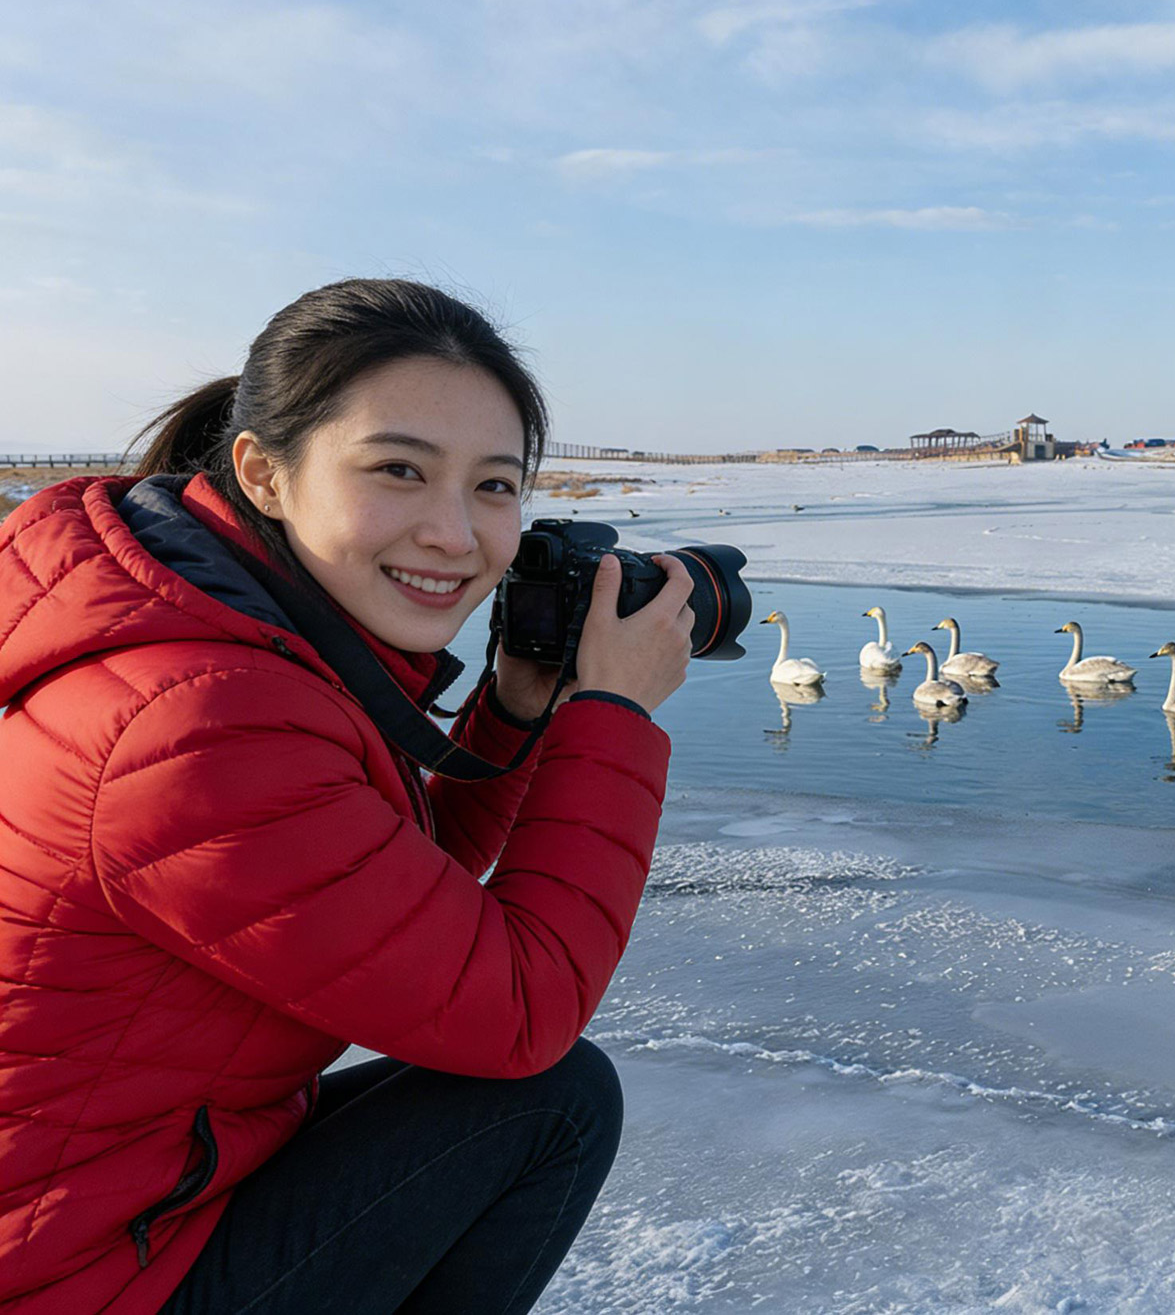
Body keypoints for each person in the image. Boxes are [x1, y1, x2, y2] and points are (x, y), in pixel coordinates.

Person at [0, 279, 693, 1314]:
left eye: (495, 486)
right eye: (399, 471)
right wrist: (613, 717)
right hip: (75, 1276)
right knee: (553, 1097)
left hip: (114, 1190)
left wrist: (511, 709)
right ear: (263, 474)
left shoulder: (208, 625)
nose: (456, 535)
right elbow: (520, 1009)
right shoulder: (190, 721)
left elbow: (383, 894)